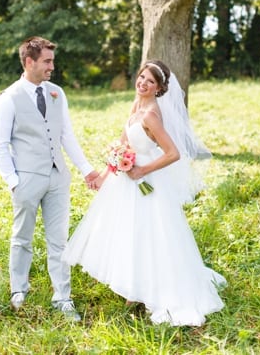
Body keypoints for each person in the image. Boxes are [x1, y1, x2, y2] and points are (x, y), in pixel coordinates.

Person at [62, 60, 226, 326]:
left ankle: (150, 287)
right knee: (129, 232)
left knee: (151, 235)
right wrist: (104, 175)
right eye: (141, 77)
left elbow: (173, 153)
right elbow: (123, 144)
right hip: (127, 184)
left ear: (159, 88)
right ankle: (132, 285)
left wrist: (142, 170)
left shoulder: (151, 114)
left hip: (148, 184)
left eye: (150, 81)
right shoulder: (136, 106)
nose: (143, 83)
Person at [0, 36, 99, 321]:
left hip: (57, 178)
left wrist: (86, 169)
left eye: (52, 60)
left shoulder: (56, 93)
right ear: (29, 62)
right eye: (47, 61)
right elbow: (0, 145)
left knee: (59, 241)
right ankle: (18, 290)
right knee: (22, 237)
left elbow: (66, 135)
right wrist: (13, 181)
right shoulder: (8, 99)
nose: (52, 66)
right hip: (26, 179)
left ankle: (62, 297)